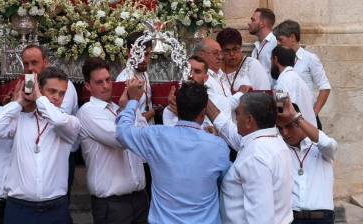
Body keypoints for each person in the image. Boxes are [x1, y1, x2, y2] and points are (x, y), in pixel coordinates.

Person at [116, 80, 230, 224]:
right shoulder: (217, 146)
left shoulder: (156, 136)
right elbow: (227, 182)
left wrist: (133, 101)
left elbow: (122, 132)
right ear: (203, 113)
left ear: (177, 108)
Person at [0, 67, 81, 224]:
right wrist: (18, 103)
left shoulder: (69, 123)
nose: (57, 97)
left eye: (62, 93)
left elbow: (57, 120)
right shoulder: (20, 119)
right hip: (19, 209)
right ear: (40, 90)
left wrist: (39, 99)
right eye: (52, 91)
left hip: (56, 209)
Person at [77, 58, 148, 224]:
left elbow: (144, 137)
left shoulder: (120, 108)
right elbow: (122, 139)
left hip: (139, 199)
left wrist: (129, 106)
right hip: (112, 204)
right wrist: (132, 103)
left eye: (108, 80)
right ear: (88, 86)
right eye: (99, 82)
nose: (106, 86)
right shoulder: (88, 111)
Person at [207, 93, 293, 224]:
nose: (235, 118)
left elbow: (261, 218)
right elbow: (226, 128)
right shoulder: (275, 141)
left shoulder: (256, 155)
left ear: (249, 120)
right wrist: (202, 96)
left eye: (237, 114)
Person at [277, 100, 338, 224]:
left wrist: (296, 117)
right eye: (280, 128)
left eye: (289, 126)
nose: (285, 133)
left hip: (321, 219)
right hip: (291, 219)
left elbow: (328, 144)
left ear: (299, 122)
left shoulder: (319, 146)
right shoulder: (280, 149)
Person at [273, 20, 332, 123]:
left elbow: (325, 86)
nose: (278, 43)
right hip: (288, 117)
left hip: (306, 116)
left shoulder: (310, 58)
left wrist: (314, 113)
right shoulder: (281, 61)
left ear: (292, 37)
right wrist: (280, 111)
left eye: (280, 39)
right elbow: (281, 89)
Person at [271, 46, 317, 127]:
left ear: (275, 59)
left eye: (270, 60)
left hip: (302, 134)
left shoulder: (283, 82)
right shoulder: (294, 77)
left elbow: (282, 112)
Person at [117, 34, 158, 123]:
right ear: (128, 53)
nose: (144, 59)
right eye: (139, 54)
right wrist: (155, 111)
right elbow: (130, 121)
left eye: (146, 54)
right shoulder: (125, 79)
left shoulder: (144, 73)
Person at [216, 27, 270, 94]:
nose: (232, 54)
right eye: (227, 50)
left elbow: (264, 93)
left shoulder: (251, 64)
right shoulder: (216, 67)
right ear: (221, 51)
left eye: (235, 49)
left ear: (241, 47)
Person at [248, 8, 277, 75]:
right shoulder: (257, 46)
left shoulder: (275, 43)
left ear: (262, 24)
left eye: (253, 20)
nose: (249, 23)